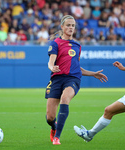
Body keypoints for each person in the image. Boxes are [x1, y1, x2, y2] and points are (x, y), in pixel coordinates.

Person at [45, 15, 108, 145]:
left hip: (73, 79)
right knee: (50, 117)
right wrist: (52, 67)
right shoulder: (55, 43)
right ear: (62, 27)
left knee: (65, 99)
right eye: (68, 25)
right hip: (57, 79)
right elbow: (50, 62)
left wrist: (93, 74)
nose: (71, 28)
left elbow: (76, 67)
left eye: (73, 25)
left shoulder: (77, 45)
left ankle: (57, 137)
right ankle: (53, 126)